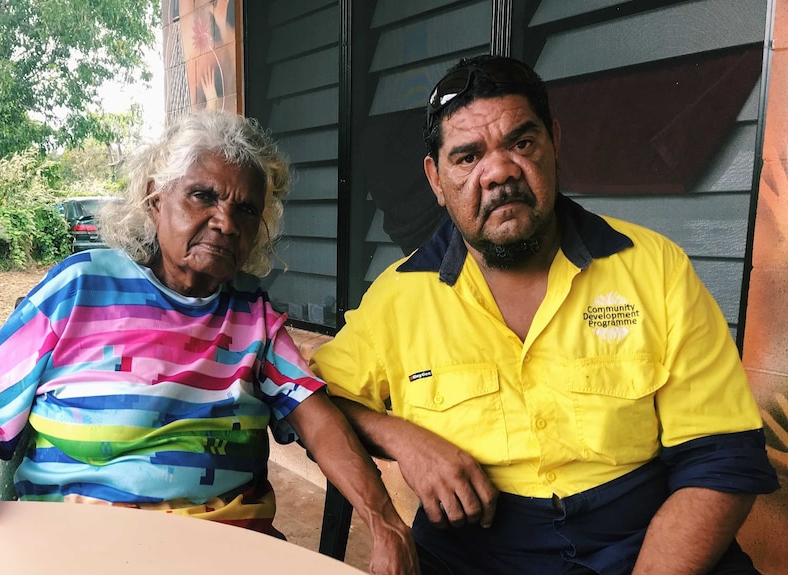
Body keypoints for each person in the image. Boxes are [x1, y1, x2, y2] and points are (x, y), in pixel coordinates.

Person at [310, 55, 780, 574]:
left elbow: (721, 460)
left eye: (522, 143)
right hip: (473, 551)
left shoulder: (653, 268)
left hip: (646, 539)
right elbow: (311, 400)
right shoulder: (399, 298)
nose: (500, 172)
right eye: (466, 157)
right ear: (435, 180)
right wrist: (404, 444)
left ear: (555, 142)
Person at [0, 112, 418, 574]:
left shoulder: (252, 316)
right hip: (79, 550)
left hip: (226, 552)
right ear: (155, 198)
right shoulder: (78, 289)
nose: (226, 222)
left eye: (245, 209)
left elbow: (317, 419)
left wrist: (385, 521)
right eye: (203, 196)